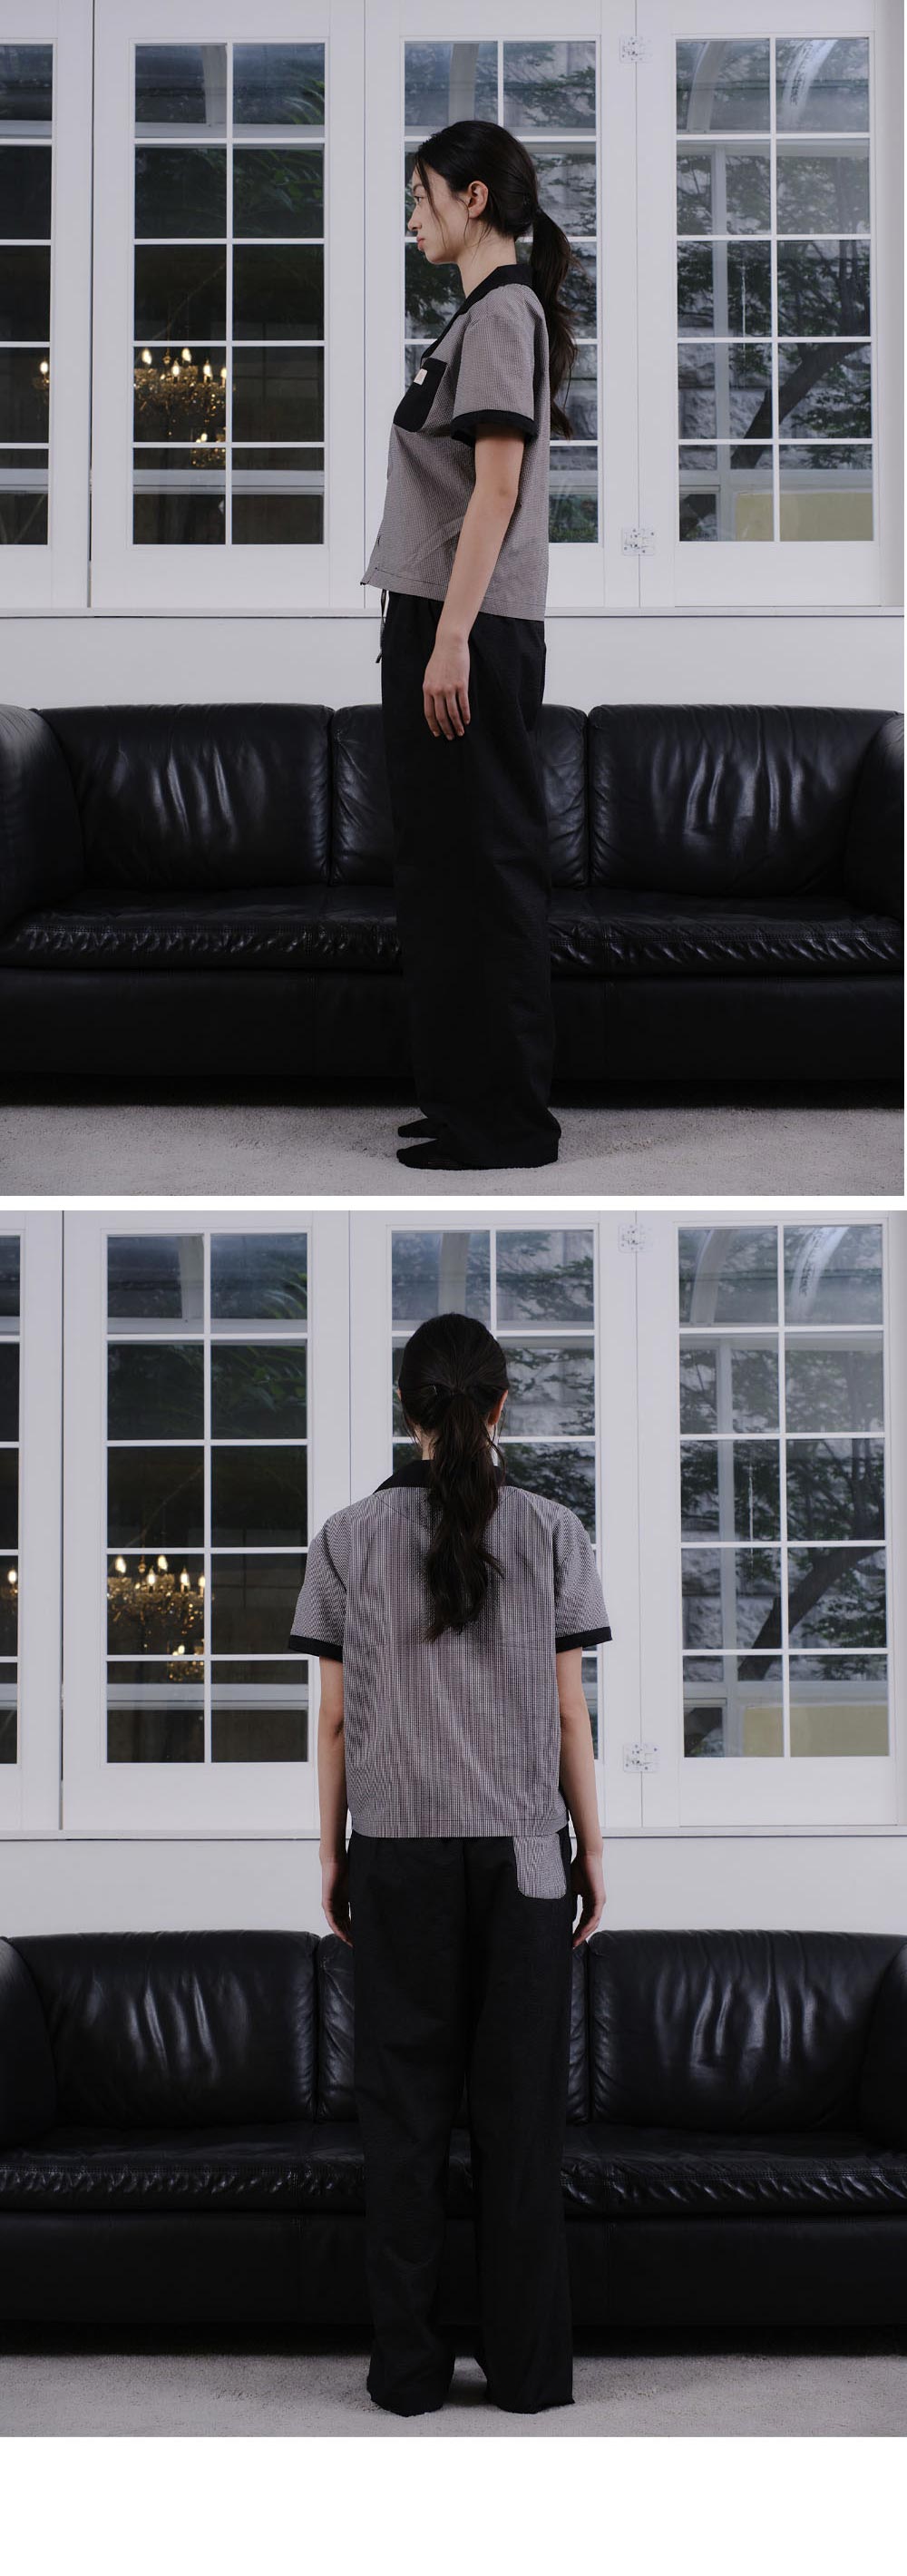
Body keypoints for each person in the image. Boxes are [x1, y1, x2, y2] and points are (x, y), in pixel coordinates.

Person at [289, 1314, 609, 2420]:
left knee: (404, 2125)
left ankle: (409, 2376)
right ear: (502, 1403)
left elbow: (336, 1723)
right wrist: (592, 1855)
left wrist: (331, 1855)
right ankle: (528, 2376)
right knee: (522, 2127)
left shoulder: (345, 1537)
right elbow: (568, 1713)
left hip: (395, 1855)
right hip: (525, 1858)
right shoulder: (553, 1529)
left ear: (406, 1409)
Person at [364, 122, 575, 1171]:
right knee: (442, 871)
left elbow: (496, 490)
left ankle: (507, 1124)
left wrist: (450, 638)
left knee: (485, 871)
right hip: (443, 617)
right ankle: (460, 1101)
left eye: (422, 196)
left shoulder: (501, 313)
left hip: (469, 624)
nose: (413, 218)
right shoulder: (480, 316)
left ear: (473, 198)